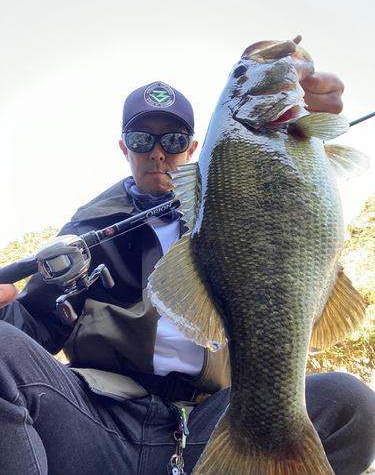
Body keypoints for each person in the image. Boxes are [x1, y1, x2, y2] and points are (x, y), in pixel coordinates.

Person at [0, 75, 375, 475]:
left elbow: (297, 232)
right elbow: (32, 328)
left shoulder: (237, 207)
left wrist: (308, 123)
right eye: (142, 139)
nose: (158, 153)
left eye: (174, 140)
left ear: (195, 147)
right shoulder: (88, 229)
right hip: (101, 419)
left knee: (351, 405)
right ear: (124, 147)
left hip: (211, 421)